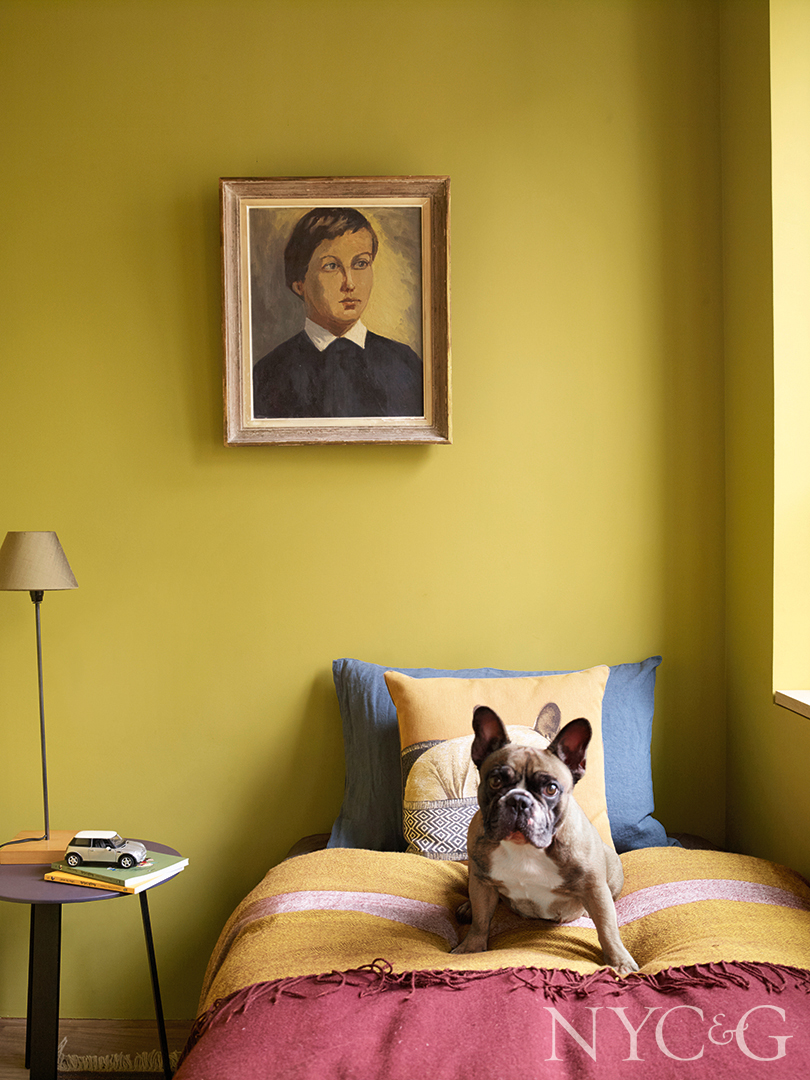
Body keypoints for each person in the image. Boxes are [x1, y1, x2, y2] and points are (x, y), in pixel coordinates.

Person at [252, 207, 424, 419]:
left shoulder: (405, 364)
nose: (350, 283)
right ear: (299, 284)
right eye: (331, 266)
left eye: (361, 264)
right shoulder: (269, 374)